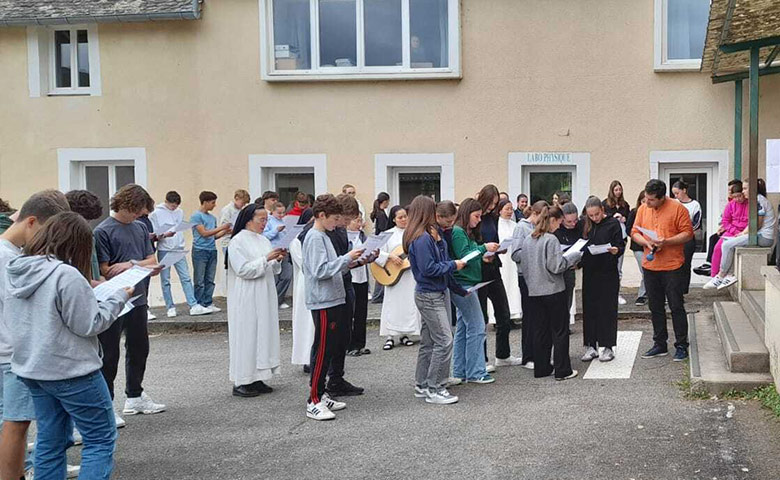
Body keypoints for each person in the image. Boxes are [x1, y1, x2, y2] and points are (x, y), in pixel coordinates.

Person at [4, 212, 131, 480]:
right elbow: (89, 324)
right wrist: (119, 297)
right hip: (71, 370)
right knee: (100, 438)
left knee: (51, 441)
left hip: (32, 369)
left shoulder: (17, 269)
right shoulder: (66, 274)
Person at [0, 190, 70, 480]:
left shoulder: (10, 255)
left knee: (12, 425)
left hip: (9, 350)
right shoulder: (9, 260)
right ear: (30, 221)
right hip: (11, 353)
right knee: (16, 425)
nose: (47, 241)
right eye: (46, 230)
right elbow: (19, 310)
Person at [94, 184, 166, 427]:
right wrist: (137, 265)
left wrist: (131, 264)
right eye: (137, 211)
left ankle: (134, 396)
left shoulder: (139, 228)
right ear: (126, 205)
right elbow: (106, 269)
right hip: (116, 299)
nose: (139, 216)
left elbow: (151, 259)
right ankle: (107, 405)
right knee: (110, 354)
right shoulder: (103, 231)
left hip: (139, 297)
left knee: (139, 348)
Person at [302, 194, 363, 421]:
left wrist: (353, 262)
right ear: (321, 215)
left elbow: (332, 267)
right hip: (324, 300)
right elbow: (320, 270)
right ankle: (314, 399)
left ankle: (322, 393)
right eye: (334, 218)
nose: (337, 223)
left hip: (333, 298)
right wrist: (346, 258)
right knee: (323, 349)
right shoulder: (315, 237)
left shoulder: (323, 236)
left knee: (329, 348)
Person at [404, 195, 467, 404]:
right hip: (429, 294)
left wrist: (457, 287)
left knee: (430, 342)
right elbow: (429, 268)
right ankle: (435, 388)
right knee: (444, 340)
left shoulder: (430, 235)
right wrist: (453, 265)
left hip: (434, 292)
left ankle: (422, 384)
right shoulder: (422, 239)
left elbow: (440, 262)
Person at [227, 204, 286, 397]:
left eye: (266, 220)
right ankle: (242, 380)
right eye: (261, 220)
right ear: (248, 220)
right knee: (248, 334)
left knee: (263, 333)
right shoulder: (237, 241)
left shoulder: (263, 240)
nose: (264, 224)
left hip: (265, 291)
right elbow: (243, 270)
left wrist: (276, 259)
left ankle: (259, 376)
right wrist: (266, 258)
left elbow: (272, 268)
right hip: (247, 294)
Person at [631, 179, 694, 361]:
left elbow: (687, 234)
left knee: (676, 306)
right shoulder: (643, 209)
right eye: (646, 198)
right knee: (655, 307)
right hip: (650, 265)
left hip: (672, 266)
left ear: (661, 198)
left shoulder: (678, 208)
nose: (647, 203)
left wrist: (666, 241)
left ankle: (681, 345)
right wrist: (646, 242)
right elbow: (634, 232)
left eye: (651, 200)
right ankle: (660, 343)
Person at [517, 204, 582, 380]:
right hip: (553, 290)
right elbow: (556, 266)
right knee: (559, 331)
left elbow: (524, 264)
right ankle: (563, 370)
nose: (559, 227)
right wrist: (572, 257)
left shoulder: (528, 239)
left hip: (535, 291)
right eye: (559, 223)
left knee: (540, 331)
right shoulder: (551, 240)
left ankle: (542, 367)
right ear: (552, 221)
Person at [449, 198, 498, 384]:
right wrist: (484, 248)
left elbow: (468, 254)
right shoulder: (458, 232)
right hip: (464, 283)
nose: (479, 220)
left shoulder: (461, 231)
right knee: (477, 326)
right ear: (466, 213)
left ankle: (460, 370)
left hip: (466, 282)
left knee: (463, 327)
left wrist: (482, 254)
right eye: (476, 216)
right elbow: (464, 257)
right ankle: (476, 372)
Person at [476, 185, 522, 368]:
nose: (492, 208)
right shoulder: (477, 218)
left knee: (503, 313)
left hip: (494, 268)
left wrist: (499, 249)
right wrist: (483, 253)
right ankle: (482, 359)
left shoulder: (493, 218)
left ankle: (503, 355)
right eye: (491, 203)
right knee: (482, 317)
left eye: (495, 204)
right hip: (479, 271)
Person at [704, 178, 775, 290]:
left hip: (763, 237)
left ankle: (721, 276)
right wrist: (742, 233)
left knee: (727, 245)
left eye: (745, 188)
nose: (743, 191)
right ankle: (729, 274)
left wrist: (742, 234)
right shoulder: (756, 199)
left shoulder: (759, 200)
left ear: (752, 189)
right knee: (728, 243)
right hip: (758, 235)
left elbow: (757, 224)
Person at [580, 197, 624, 362]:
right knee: (590, 308)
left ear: (602, 210)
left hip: (608, 272)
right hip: (590, 271)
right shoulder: (585, 224)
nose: (594, 218)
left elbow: (620, 245)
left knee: (607, 308)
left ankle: (607, 346)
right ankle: (590, 345)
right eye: (591, 215)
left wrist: (615, 250)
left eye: (597, 214)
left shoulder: (612, 224)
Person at [150, 191, 207, 317]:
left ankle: (193, 304)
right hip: (165, 247)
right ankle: (170, 307)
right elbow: (154, 234)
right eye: (172, 206)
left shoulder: (179, 212)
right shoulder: (156, 214)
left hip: (178, 247)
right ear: (167, 202)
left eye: (176, 206)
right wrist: (164, 235)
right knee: (165, 279)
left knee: (186, 277)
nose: (174, 208)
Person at [377, 206, 421, 350]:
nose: (403, 219)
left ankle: (405, 334)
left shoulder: (413, 233)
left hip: (409, 275)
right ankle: (390, 336)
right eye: (400, 217)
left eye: (405, 216)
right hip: (393, 275)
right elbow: (375, 252)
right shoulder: (387, 234)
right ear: (394, 219)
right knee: (392, 305)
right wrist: (390, 256)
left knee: (408, 304)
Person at [511, 201, 547, 369]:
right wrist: (533, 252)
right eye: (543, 217)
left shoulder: (540, 228)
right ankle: (528, 356)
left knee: (540, 317)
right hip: (525, 276)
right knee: (530, 316)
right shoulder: (521, 227)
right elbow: (516, 254)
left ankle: (539, 353)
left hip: (540, 276)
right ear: (536, 213)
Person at [191, 191, 232, 313]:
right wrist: (222, 227)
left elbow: (213, 236)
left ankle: (208, 302)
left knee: (210, 278)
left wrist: (225, 232)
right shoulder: (196, 216)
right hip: (200, 250)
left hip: (211, 250)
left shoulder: (212, 218)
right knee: (199, 279)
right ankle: (199, 303)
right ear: (205, 202)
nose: (214, 205)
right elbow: (204, 233)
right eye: (213, 202)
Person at [694, 180, 746, 276]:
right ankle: (714, 274)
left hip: (744, 232)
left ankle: (724, 273)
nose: (737, 199)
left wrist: (741, 231)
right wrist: (733, 230)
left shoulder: (749, 204)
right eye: (734, 196)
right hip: (732, 231)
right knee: (718, 247)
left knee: (725, 245)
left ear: (743, 194)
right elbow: (725, 221)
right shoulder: (730, 204)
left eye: (739, 196)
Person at [290, 209, 315, 370]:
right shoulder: (296, 241)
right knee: (305, 322)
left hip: (316, 283)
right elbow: (305, 264)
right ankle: (306, 357)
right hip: (304, 284)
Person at [65, 189, 105, 282]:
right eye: (85, 220)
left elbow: (93, 265)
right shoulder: (63, 241)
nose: (87, 224)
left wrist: (100, 279)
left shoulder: (90, 236)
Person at [602, 180, 630, 306]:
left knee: (618, 268)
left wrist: (624, 219)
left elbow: (629, 221)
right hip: (609, 239)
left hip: (621, 238)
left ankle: (617, 293)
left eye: (620, 189)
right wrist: (612, 218)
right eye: (616, 190)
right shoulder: (605, 204)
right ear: (612, 191)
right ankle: (607, 292)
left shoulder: (625, 205)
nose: (618, 192)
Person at [671, 180, 701, 294]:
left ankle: (683, 290)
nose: (676, 196)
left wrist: (686, 232)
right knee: (675, 264)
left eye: (677, 193)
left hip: (687, 238)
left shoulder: (695, 205)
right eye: (674, 194)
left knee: (685, 264)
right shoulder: (674, 203)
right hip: (675, 238)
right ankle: (674, 289)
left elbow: (697, 223)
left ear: (684, 190)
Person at [554, 202, 582, 324]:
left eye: (575, 221)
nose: (573, 224)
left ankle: (565, 324)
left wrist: (579, 263)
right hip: (556, 269)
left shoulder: (580, 227)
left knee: (568, 300)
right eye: (569, 222)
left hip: (570, 268)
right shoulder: (556, 229)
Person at [346, 215, 370, 356]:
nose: (359, 224)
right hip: (351, 278)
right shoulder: (345, 236)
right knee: (350, 313)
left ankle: (360, 343)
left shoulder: (362, 236)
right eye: (357, 221)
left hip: (362, 276)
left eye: (361, 221)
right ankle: (350, 345)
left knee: (362, 312)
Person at [264, 201, 293, 308]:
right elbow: (265, 236)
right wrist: (276, 230)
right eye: (279, 213)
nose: (281, 215)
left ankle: (278, 299)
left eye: (283, 213)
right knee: (275, 277)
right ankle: (273, 301)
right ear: (272, 212)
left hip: (284, 250)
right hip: (274, 251)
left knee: (287, 276)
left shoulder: (284, 221)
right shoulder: (268, 221)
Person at [497, 199, 521, 321]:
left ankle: (513, 314)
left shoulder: (515, 225)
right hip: (502, 259)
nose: (509, 211)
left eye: (511, 209)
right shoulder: (496, 225)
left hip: (512, 260)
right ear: (500, 210)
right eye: (507, 209)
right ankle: (499, 318)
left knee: (513, 286)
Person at [626, 191, 648, 306]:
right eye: (643, 201)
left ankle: (653, 294)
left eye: (647, 201)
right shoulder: (634, 212)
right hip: (638, 246)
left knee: (652, 271)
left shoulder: (652, 212)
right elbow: (628, 229)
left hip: (651, 246)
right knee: (645, 270)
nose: (645, 204)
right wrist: (638, 236)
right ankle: (642, 295)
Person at [370, 192, 391, 304]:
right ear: (385, 201)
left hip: (377, 242)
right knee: (383, 266)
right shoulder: (381, 214)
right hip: (381, 244)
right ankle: (378, 295)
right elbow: (383, 229)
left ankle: (378, 294)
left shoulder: (377, 213)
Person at [219, 189, 251, 256]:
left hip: (239, 242)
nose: (243, 205)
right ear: (237, 198)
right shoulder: (227, 210)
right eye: (242, 203)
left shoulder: (241, 211)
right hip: (228, 242)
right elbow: (224, 228)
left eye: (245, 204)